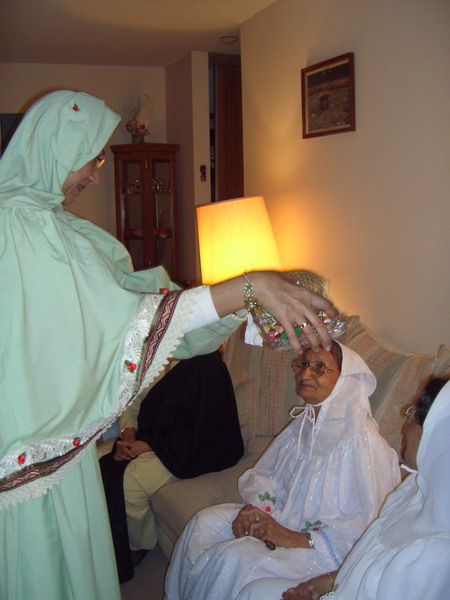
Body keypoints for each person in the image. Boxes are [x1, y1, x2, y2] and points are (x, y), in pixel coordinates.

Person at [0, 90, 337, 600]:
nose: (95, 176)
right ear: (58, 150)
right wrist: (247, 287)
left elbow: (146, 303)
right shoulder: (20, 226)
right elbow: (119, 322)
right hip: (32, 460)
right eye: (92, 159)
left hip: (59, 457)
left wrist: (244, 300)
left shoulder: (55, 227)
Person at [164, 342, 401, 600]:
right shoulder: (302, 426)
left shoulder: (364, 445)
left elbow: (368, 527)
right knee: (204, 522)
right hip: (280, 520)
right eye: (303, 365)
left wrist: (291, 537)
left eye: (319, 368)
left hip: (323, 552)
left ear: (346, 380)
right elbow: (269, 476)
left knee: (234, 557)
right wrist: (253, 512)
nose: (305, 374)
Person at [236, 377, 450, 600]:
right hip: (342, 585)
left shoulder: (438, 550)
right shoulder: (412, 489)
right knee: (254, 590)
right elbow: (364, 560)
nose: (405, 426)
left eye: (413, 416)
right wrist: (325, 583)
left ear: (436, 433)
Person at [100, 350, 245, 583]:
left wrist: (149, 446)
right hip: (148, 437)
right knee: (96, 462)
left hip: (187, 449)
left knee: (130, 482)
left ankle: (139, 544)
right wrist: (127, 434)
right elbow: (132, 401)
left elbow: (210, 424)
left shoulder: (206, 364)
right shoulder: (152, 355)